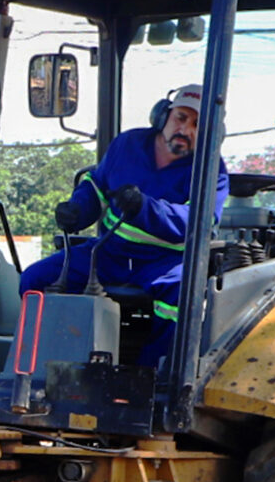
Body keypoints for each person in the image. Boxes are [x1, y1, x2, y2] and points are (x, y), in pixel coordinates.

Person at [18, 83, 228, 363]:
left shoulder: (212, 169)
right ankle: (40, 368)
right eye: (181, 117)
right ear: (163, 115)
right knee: (35, 279)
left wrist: (145, 207)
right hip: (108, 254)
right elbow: (96, 186)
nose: (185, 129)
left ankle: (154, 381)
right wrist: (77, 210)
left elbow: (196, 222)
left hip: (164, 263)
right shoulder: (127, 145)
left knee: (183, 298)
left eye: (197, 124)